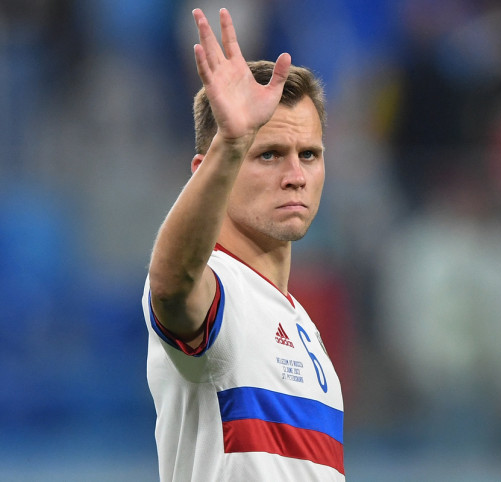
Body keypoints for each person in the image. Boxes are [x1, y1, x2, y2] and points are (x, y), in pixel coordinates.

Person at [141, 8, 344, 481]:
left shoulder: (303, 328)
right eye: (268, 154)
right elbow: (171, 286)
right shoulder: (222, 293)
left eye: (309, 155)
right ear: (207, 172)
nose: (295, 176)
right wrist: (232, 141)